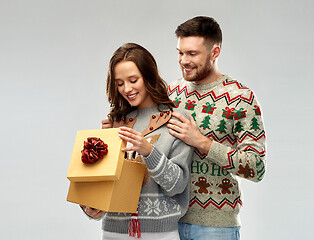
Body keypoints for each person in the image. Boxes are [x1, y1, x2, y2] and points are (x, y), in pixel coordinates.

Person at [166, 16, 267, 240]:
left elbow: (257, 167)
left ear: (215, 53)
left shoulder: (241, 98)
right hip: (168, 223)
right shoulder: (170, 93)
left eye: (192, 54)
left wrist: (201, 142)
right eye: (180, 52)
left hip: (216, 228)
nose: (183, 60)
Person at [81, 43, 193, 240]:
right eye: (119, 83)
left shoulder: (177, 120)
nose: (127, 89)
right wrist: (90, 207)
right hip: (113, 232)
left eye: (133, 80)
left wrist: (149, 151)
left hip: (161, 234)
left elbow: (177, 185)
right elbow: (105, 185)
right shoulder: (116, 122)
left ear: (149, 76)